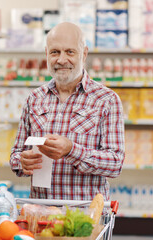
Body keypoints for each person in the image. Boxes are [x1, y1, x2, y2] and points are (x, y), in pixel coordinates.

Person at [9, 22, 125, 201]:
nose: (62, 60)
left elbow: (115, 163)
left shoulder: (106, 100)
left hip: (85, 217)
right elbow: (16, 155)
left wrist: (71, 150)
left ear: (84, 54)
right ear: (46, 54)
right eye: (55, 52)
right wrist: (21, 162)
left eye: (70, 52)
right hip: (41, 213)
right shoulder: (34, 99)